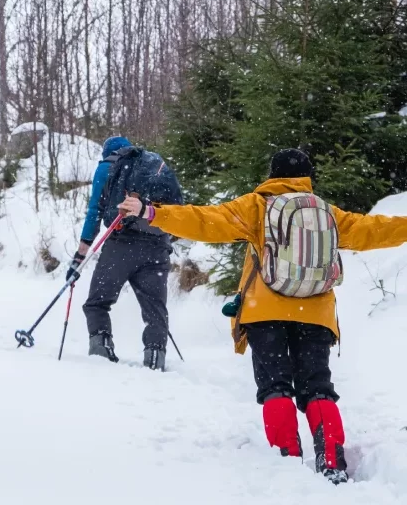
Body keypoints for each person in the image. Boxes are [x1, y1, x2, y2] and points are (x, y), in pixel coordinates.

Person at [119, 148, 407, 483]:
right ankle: (332, 461)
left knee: (275, 385)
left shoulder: (257, 206)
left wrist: (152, 212)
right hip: (315, 311)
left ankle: (286, 459)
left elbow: (205, 221)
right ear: (306, 177)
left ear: (273, 174)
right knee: (317, 387)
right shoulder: (327, 213)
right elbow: (374, 229)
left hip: (264, 310)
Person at [66, 136, 182, 371]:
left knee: (97, 303)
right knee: (155, 309)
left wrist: (80, 255)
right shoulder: (153, 164)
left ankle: (101, 357)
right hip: (158, 245)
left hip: (122, 244)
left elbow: (94, 212)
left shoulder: (107, 167)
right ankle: (155, 359)